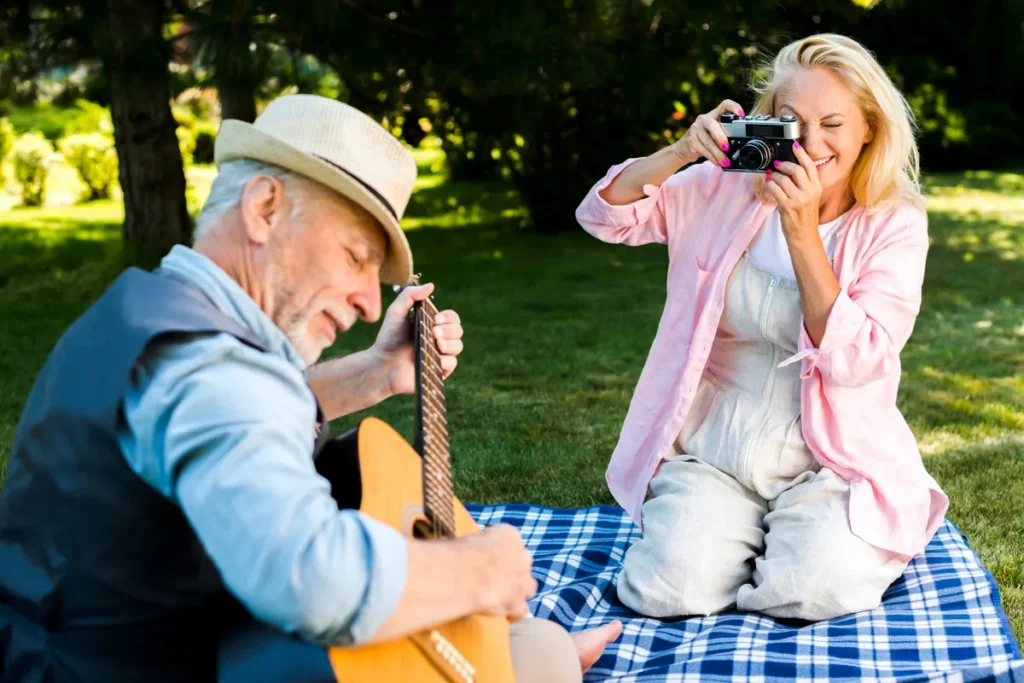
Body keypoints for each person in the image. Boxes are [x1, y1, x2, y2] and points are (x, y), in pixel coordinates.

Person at [0, 93, 620, 682]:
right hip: (143, 666)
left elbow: (247, 413)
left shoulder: (154, 309)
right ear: (264, 209)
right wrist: (479, 569)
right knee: (531, 654)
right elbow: (312, 578)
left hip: (67, 649)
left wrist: (378, 372)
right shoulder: (207, 370)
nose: (369, 303)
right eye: (356, 257)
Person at [574, 33, 949, 621]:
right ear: (768, 120)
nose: (810, 142)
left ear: (868, 130)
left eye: (833, 124)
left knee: (812, 592)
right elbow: (604, 217)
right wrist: (677, 153)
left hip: (832, 455)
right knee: (665, 589)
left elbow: (860, 360)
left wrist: (801, 231)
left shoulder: (893, 223)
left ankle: (793, 540)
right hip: (716, 443)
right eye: (791, 120)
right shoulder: (724, 187)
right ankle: (733, 535)